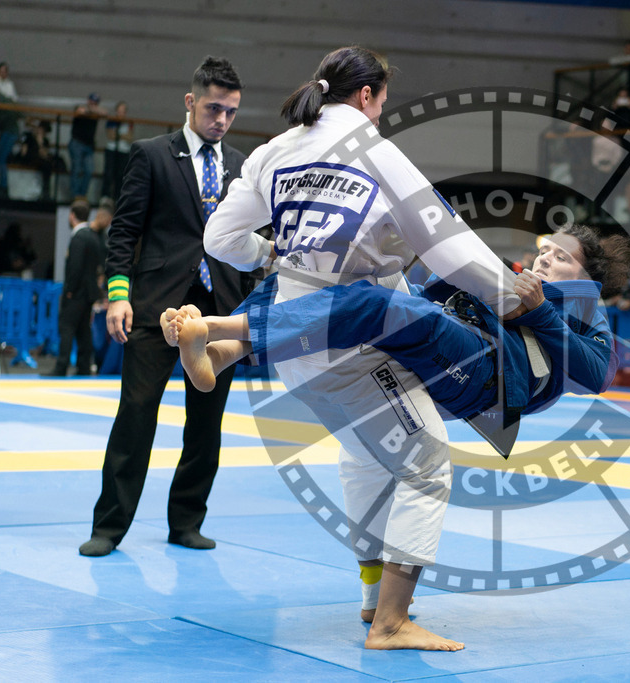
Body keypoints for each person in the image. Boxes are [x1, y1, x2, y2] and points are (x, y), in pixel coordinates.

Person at [199, 46, 529, 652]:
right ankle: (391, 622)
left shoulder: (276, 150)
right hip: (349, 341)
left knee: (365, 457)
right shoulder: (377, 152)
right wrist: (513, 293)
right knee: (426, 463)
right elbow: (449, 245)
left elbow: (219, 237)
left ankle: (372, 595)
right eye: (382, 100)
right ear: (369, 96)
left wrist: (272, 255)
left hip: (289, 335)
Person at [161, 225, 630, 432]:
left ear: (588, 278)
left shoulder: (585, 308)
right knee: (326, 272)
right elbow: (434, 292)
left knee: (380, 306)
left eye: (561, 257)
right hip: (450, 337)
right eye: (546, 251)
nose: (546, 258)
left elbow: (599, 376)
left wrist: (542, 310)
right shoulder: (511, 277)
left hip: (487, 378)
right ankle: (222, 354)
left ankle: (214, 325)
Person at [78, 57, 249, 559]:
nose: (221, 119)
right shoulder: (151, 155)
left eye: (231, 112)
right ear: (191, 102)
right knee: (135, 413)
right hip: (155, 306)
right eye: (214, 108)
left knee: (207, 421)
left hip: (219, 309)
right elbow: (124, 231)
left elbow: (247, 238)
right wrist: (117, 294)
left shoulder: (241, 165)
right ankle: (109, 526)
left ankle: (187, 520)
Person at [49, 199, 104, 376]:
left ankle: (61, 366)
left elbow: (75, 267)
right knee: (83, 330)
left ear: (72, 216)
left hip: (77, 292)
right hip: (88, 293)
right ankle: (84, 367)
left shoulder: (79, 237)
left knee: (66, 327)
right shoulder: (93, 236)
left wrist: (69, 291)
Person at [69, 93, 107, 199]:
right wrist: (91, 110)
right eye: (92, 101)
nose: (93, 104)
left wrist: (92, 110)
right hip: (77, 143)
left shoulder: (95, 112)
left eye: (95, 102)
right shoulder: (81, 109)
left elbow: (104, 112)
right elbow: (79, 111)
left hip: (89, 145)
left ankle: (82, 194)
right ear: (88, 101)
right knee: (76, 169)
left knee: (89, 170)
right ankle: (75, 195)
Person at [102, 101, 133, 199]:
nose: (121, 114)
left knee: (121, 175)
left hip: (123, 151)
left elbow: (130, 137)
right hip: (111, 150)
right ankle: (105, 197)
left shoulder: (129, 122)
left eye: (123, 111)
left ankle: (117, 197)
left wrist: (118, 135)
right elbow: (111, 136)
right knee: (109, 174)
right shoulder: (111, 121)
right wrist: (123, 136)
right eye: (119, 111)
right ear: (116, 111)